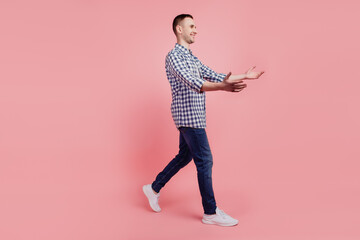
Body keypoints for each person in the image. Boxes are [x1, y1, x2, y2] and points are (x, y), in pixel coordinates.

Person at [143, 14, 264, 227]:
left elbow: (214, 75)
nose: (195, 30)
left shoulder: (191, 57)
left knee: (184, 156)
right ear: (179, 29)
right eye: (191, 26)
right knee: (205, 161)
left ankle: (153, 188)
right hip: (188, 116)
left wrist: (244, 75)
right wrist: (224, 88)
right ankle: (210, 212)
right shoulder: (174, 56)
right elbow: (193, 82)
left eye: (195, 26)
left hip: (195, 116)